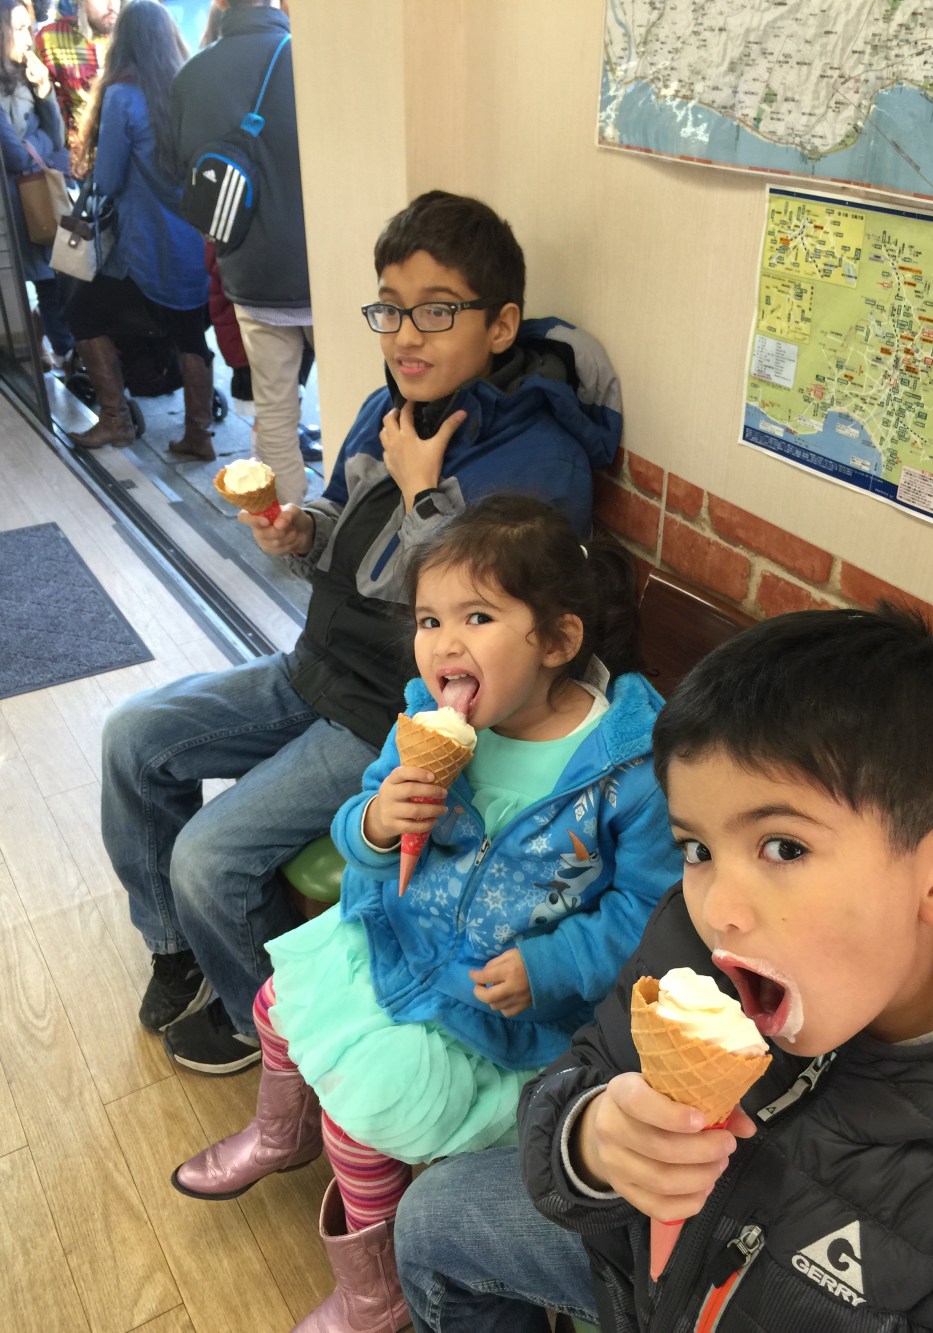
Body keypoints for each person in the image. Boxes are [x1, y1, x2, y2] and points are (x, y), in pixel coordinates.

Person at [101, 188, 623, 1076]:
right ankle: (178, 946)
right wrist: (301, 533)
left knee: (208, 857)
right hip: (318, 665)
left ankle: (271, 1024)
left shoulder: (542, 457)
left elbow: (474, 616)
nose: (406, 336)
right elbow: (343, 524)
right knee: (133, 736)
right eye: (390, 309)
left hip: (397, 710)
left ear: (500, 325)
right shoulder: (393, 410)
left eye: (436, 310)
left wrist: (424, 493)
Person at [393, 605, 933, 1332]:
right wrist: (591, 1140)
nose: (720, 909)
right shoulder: (690, 941)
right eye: (698, 849)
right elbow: (584, 1069)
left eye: (783, 847)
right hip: (637, 1273)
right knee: (434, 1218)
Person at [170, 494, 681, 1332]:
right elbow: (362, 822)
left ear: (557, 641)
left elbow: (648, 910)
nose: (443, 643)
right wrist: (378, 822)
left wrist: (553, 965)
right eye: (428, 619)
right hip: (405, 936)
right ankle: (283, 1132)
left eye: (476, 617)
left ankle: (378, 1290)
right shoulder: (427, 716)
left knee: (363, 1115)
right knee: (273, 1004)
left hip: (501, 1002)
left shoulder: (628, 767)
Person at [169, 0, 310, 505]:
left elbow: (183, 173)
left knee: (275, 414)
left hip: (251, 273)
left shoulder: (193, 75)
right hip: (327, 269)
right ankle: (354, 524)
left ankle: (289, 526)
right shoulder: (307, 56)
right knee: (361, 404)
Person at [62, 1, 212, 453]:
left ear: (123, 43)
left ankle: (116, 420)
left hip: (144, 247)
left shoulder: (123, 96)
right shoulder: (191, 87)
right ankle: (199, 434)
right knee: (191, 335)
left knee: (81, 313)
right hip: (195, 247)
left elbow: (107, 180)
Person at [0, 0, 73, 369]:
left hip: (39, 194)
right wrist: (38, 141)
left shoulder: (28, 73)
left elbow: (57, 138)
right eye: (18, 29)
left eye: (27, 28)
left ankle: (62, 350)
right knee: (44, 280)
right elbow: (14, 156)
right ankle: (64, 352)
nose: (28, 38)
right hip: (15, 203)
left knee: (55, 278)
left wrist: (45, 90)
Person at [34, 0, 120, 158]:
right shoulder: (49, 40)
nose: (112, 5)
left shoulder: (134, 35)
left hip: (128, 151)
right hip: (75, 155)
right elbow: (42, 111)